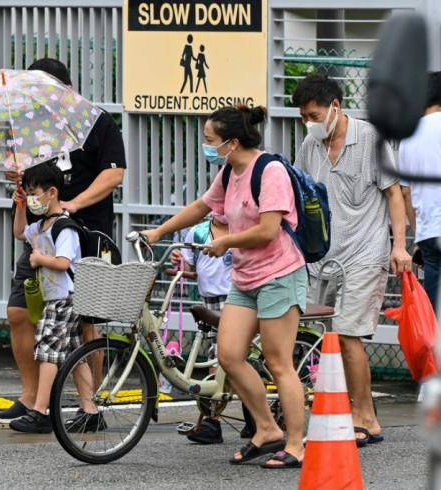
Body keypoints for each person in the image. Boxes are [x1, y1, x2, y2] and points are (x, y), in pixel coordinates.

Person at [143, 105, 307, 469]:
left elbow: (268, 230)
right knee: (230, 356)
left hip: (279, 276)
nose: (206, 145)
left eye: (210, 140)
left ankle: (296, 444)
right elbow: (203, 207)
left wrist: (226, 242)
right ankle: (266, 429)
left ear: (232, 142)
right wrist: (157, 232)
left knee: (279, 363)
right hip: (246, 279)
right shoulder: (229, 172)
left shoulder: (271, 171)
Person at [0, 58, 126, 425]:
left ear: (65, 89)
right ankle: (32, 396)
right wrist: (13, 173)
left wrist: (75, 203)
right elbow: (16, 170)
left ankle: (89, 405)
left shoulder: (96, 120)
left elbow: (115, 173)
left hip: (85, 236)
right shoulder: (28, 127)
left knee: (84, 326)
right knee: (20, 313)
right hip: (40, 237)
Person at [292, 74, 412, 446]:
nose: (308, 123)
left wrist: (399, 245)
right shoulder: (309, 148)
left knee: (348, 335)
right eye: (303, 117)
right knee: (315, 336)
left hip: (365, 251)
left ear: (335, 108)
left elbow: (393, 194)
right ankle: (335, 410)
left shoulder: (370, 139)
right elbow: (298, 197)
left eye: (313, 115)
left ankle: (366, 418)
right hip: (322, 258)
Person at [7, 163, 102, 433]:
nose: (32, 197)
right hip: (57, 297)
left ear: (51, 192)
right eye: (28, 192)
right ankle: (90, 411)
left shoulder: (64, 227)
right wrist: (21, 206)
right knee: (75, 354)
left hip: (66, 297)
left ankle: (39, 411)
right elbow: (19, 233)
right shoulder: (41, 225)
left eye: (34, 193)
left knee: (48, 351)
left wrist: (39, 259)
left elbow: (62, 263)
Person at [171, 219, 235, 444]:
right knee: (216, 361)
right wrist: (179, 261)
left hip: (236, 299)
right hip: (209, 301)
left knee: (221, 359)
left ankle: (212, 420)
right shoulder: (197, 232)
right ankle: (213, 418)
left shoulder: (243, 228)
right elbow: (188, 267)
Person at [399, 71, 441, 312]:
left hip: (429, 234)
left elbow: (406, 193)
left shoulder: (408, 136)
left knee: (435, 313)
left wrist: (419, 237)